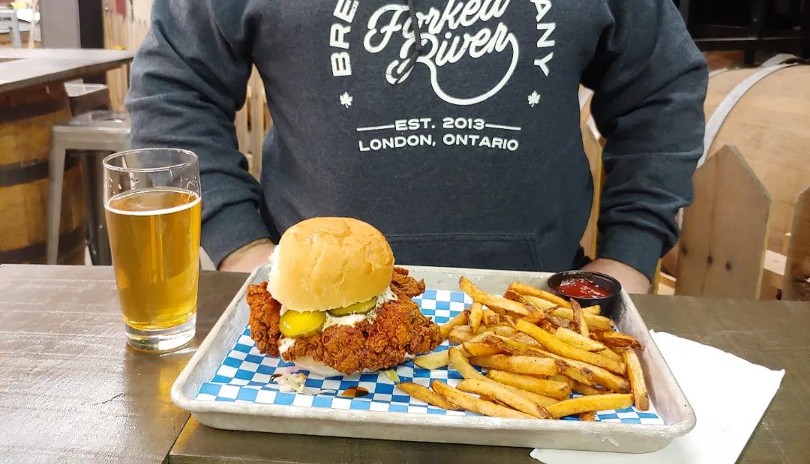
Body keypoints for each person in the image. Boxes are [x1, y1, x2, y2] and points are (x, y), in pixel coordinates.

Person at [125, 0, 708, 294]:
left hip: (544, 312)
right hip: (309, 320)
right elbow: (176, 89)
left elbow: (659, 88)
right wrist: (238, 246)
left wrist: (631, 257)